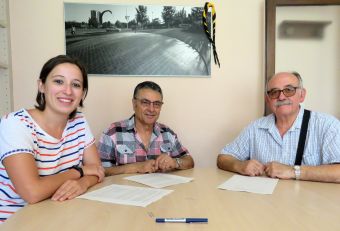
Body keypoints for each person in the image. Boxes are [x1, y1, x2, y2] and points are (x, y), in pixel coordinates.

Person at [0, 55, 105, 223]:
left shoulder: (79, 121)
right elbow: (32, 192)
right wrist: (79, 172)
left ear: (82, 93)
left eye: (76, 85)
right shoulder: (15, 123)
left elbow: (98, 169)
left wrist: (83, 183)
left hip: (58, 215)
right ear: (41, 85)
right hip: (15, 222)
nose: (68, 91)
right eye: (58, 81)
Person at [217, 72, 340, 183]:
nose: (281, 97)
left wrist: (292, 171)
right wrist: (240, 165)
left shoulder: (327, 125)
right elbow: (223, 158)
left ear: (302, 95)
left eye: (289, 90)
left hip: (310, 205)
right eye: (274, 92)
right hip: (265, 204)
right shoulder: (255, 128)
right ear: (268, 100)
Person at [98, 81, 194, 175]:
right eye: (145, 102)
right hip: (126, 190)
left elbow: (189, 161)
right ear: (134, 103)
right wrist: (136, 167)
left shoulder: (167, 133)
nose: (151, 109)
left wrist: (174, 162)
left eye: (156, 104)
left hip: (162, 190)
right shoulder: (113, 132)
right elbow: (100, 170)